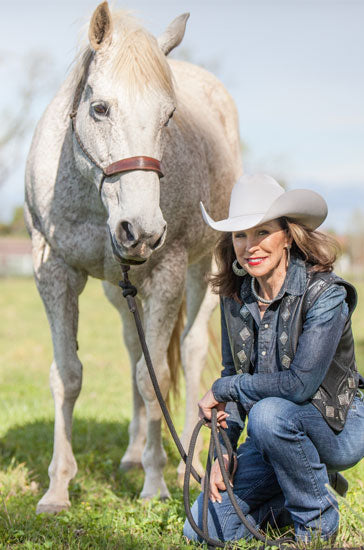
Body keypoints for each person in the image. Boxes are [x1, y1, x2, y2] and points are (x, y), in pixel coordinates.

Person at [183, 174, 364, 544]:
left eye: (262, 232)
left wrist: (222, 387)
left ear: (288, 236)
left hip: (339, 424)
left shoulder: (326, 295)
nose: (249, 246)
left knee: (268, 415)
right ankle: (300, 481)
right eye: (239, 235)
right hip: (275, 432)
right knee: (201, 529)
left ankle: (318, 524)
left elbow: (299, 385)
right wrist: (224, 449)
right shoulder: (234, 297)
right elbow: (233, 373)